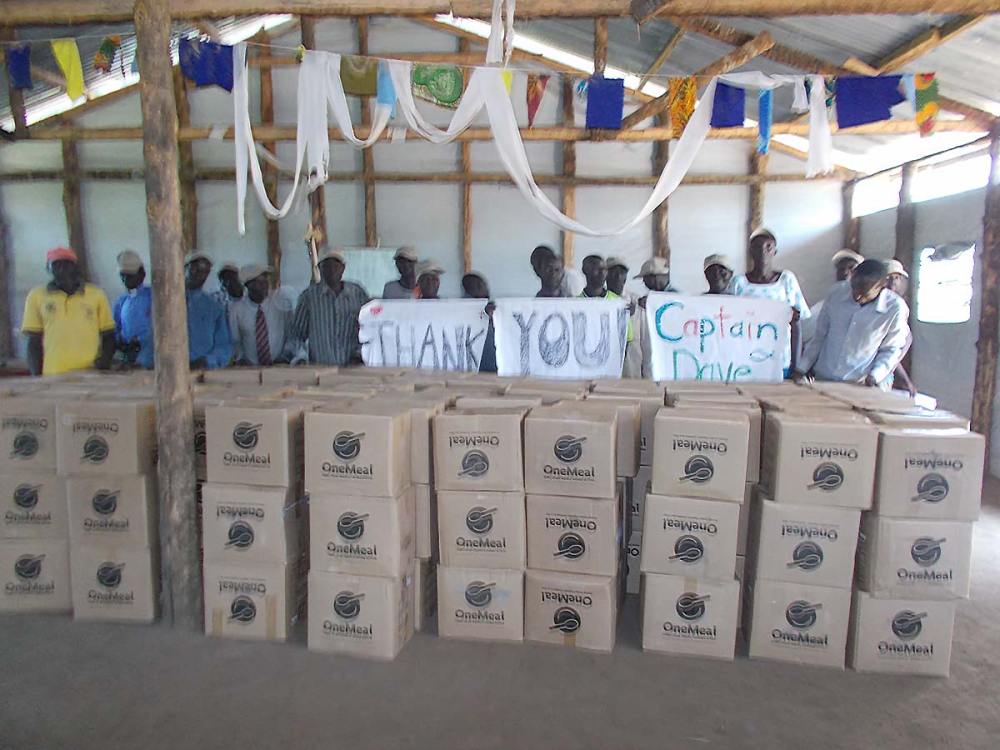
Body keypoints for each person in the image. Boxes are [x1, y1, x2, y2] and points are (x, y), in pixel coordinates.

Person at [796, 259, 910, 390]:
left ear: (882, 286)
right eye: (854, 289)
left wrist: (874, 377)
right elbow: (819, 336)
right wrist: (801, 368)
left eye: (864, 293)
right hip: (824, 378)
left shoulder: (895, 309)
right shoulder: (836, 294)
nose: (856, 296)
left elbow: (891, 349)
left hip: (860, 383)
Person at [22, 247, 116, 377]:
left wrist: (103, 365)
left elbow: (108, 335)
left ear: (75, 267)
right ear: (49, 269)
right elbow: (33, 341)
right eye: (56, 265)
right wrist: (36, 376)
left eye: (66, 265)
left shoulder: (96, 295)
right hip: (52, 373)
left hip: (90, 373)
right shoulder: (36, 296)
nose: (62, 270)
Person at [728, 228, 810, 376]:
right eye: (757, 247)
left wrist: (796, 365)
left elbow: (796, 324)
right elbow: (726, 322)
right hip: (744, 360)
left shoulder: (786, 280)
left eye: (768, 247)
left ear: (775, 251)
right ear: (750, 251)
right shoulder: (739, 283)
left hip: (780, 359)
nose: (763, 251)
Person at [291, 247, 370, 366]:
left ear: (343, 268)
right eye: (327, 266)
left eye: (336, 265)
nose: (332, 270)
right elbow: (296, 336)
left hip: (354, 369)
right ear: (319, 269)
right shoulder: (309, 297)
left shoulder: (358, 294)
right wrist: (301, 357)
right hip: (320, 369)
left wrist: (359, 355)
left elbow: (369, 330)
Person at [229, 264, 300, 366]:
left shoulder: (281, 302)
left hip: (280, 366)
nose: (264, 285)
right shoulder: (237, 310)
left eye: (265, 280)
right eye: (259, 282)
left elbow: (292, 335)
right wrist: (241, 358)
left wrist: (285, 356)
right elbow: (236, 341)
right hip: (250, 369)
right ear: (248, 285)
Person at [184, 251, 233, 370]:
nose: (199, 274)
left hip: (203, 372)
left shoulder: (214, 307)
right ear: (184, 268)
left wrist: (207, 361)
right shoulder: (167, 303)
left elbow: (224, 346)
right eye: (195, 269)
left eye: (204, 271)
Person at [632, 257, 674, 379]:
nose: (645, 283)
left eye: (646, 279)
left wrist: (651, 303)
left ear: (654, 278)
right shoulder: (650, 298)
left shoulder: (676, 297)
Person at [112, 249, 154, 369]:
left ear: (142, 274)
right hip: (129, 361)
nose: (125, 280)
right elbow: (115, 330)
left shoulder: (154, 297)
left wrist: (140, 341)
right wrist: (121, 343)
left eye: (130, 276)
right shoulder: (121, 301)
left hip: (152, 361)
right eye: (122, 276)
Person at [885, 258, 917, 396]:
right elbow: (887, 351)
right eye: (888, 277)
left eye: (896, 277)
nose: (892, 281)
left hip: (886, 372)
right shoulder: (877, 309)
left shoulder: (898, 306)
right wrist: (906, 381)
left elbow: (896, 351)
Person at [462, 271, 497, 374]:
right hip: (479, 366)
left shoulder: (491, 307)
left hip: (488, 365)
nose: (487, 288)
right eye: (482, 285)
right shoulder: (463, 309)